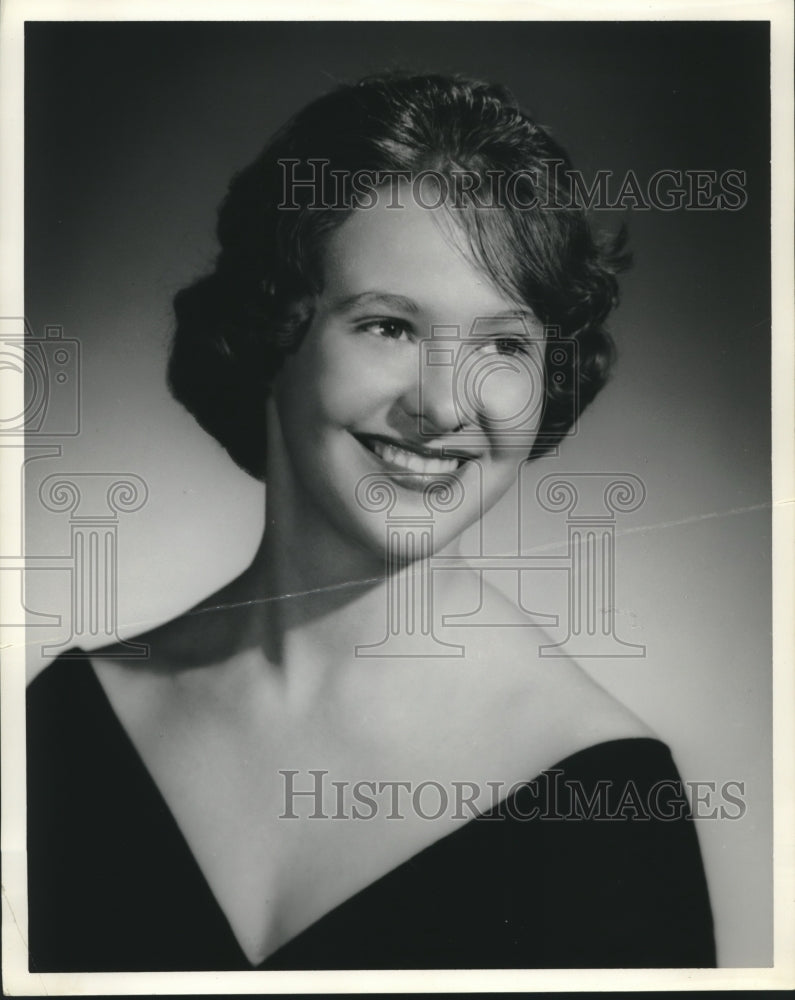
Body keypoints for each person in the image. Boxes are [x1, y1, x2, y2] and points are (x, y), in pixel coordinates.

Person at [26, 73, 716, 972]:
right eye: (388, 326)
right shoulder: (61, 728)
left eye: (503, 344)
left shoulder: (601, 797)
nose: (441, 405)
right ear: (271, 332)